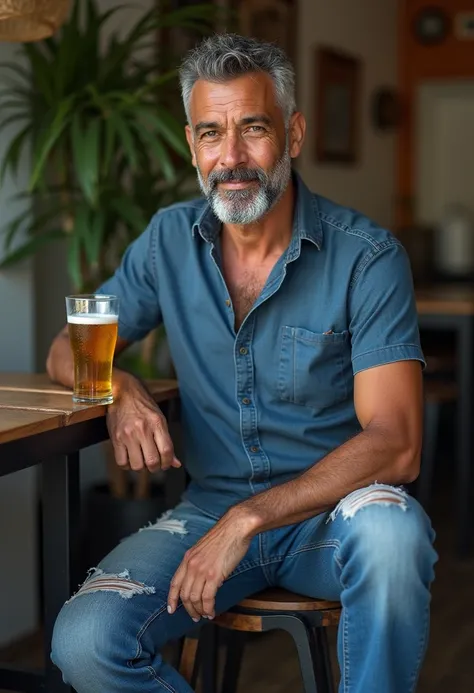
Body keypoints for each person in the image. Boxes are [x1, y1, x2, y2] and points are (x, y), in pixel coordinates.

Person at [47, 33, 437, 693]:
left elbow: (397, 445)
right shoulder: (167, 240)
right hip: (206, 513)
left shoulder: (366, 258)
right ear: (191, 143)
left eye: (252, 128)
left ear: (293, 134)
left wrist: (249, 518)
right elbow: (67, 347)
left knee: (393, 534)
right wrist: (120, 387)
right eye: (210, 133)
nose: (231, 157)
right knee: (84, 642)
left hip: (331, 518)